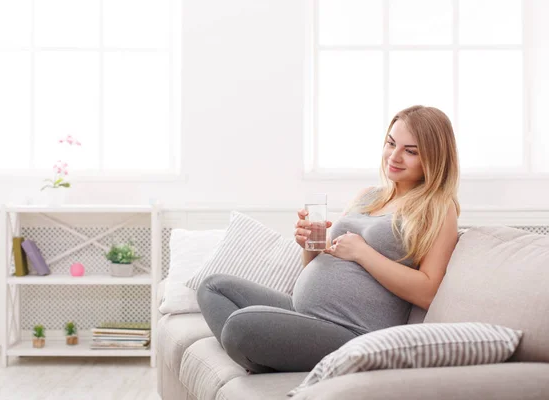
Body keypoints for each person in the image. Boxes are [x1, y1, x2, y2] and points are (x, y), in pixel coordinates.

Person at [197, 105, 460, 374]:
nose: (394, 156)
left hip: (353, 333)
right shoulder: (368, 195)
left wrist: (363, 253)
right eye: (391, 143)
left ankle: (263, 354)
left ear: (434, 158)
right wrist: (311, 245)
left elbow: (429, 292)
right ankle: (268, 357)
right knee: (212, 287)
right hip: (302, 312)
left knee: (241, 327)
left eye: (410, 151)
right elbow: (326, 259)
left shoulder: (438, 207)